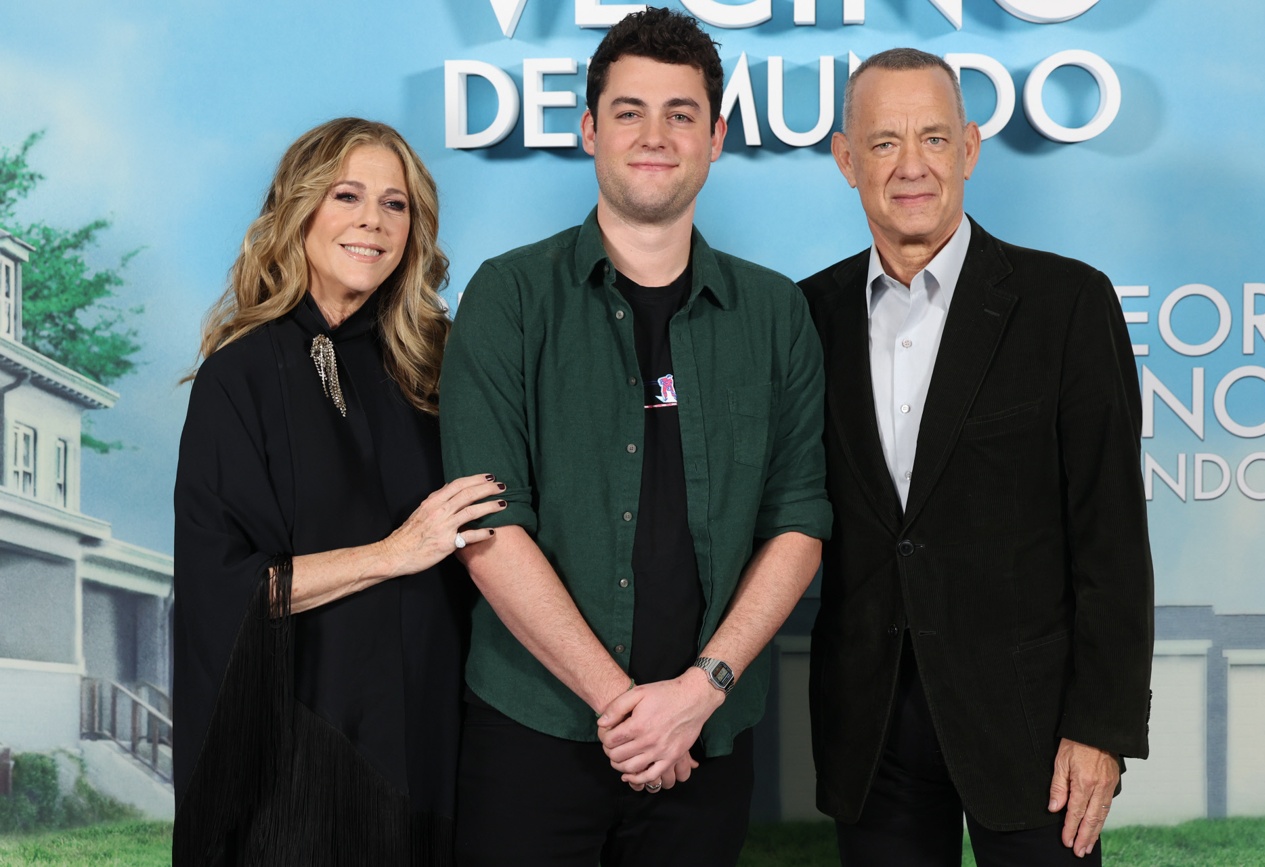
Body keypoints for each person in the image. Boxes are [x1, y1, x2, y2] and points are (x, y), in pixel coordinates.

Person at [439, 8, 832, 865]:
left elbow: (799, 520)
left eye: (681, 113)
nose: (655, 135)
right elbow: (488, 527)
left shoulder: (775, 312)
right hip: (530, 734)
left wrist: (699, 691)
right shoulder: (507, 298)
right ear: (589, 128)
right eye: (629, 111)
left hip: (706, 742)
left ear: (716, 136)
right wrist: (629, 710)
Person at [800, 48, 1155, 865]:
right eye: (885, 143)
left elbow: (1110, 534)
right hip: (872, 734)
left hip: (1033, 734)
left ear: (970, 147)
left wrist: (1101, 727)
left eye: (933, 137)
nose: (912, 165)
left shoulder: (1065, 303)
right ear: (848, 161)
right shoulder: (805, 314)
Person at [172, 117, 505, 865]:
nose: (372, 221)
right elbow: (230, 587)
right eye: (348, 195)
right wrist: (395, 553)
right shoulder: (241, 376)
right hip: (302, 752)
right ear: (299, 210)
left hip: (436, 735)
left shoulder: (439, 368)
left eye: (396, 204)